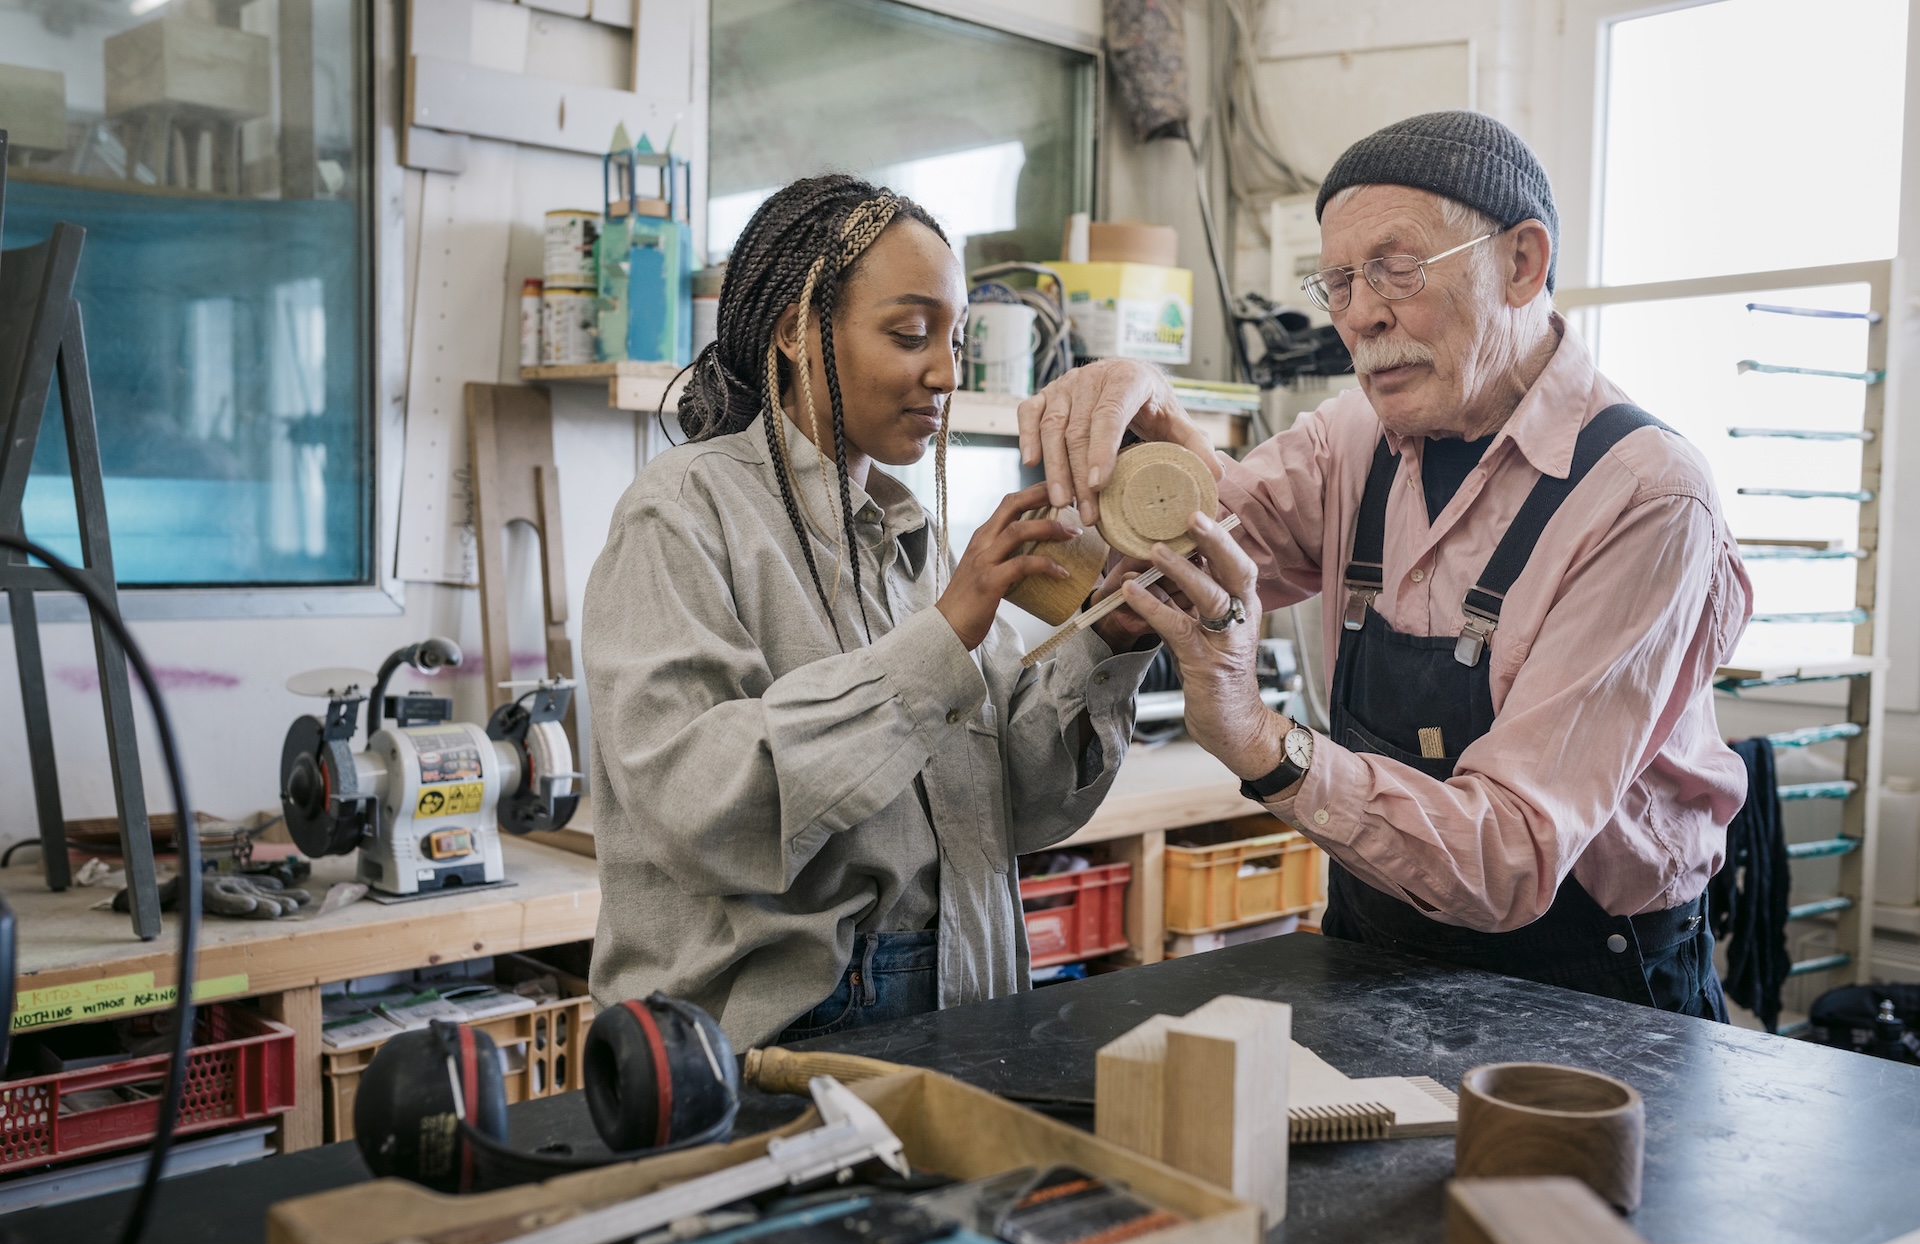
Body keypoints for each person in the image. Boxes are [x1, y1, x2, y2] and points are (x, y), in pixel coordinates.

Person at [1018, 111, 1752, 1019]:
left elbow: (1510, 855)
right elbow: (1201, 554)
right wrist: (1151, 425)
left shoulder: (1645, 498)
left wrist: (1260, 738)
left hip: (1588, 986)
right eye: (1337, 282)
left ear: (1522, 263)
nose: (1361, 313)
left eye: (1397, 270)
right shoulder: (1353, 441)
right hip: (1376, 941)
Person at [583, 175, 1158, 1049]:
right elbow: (697, 809)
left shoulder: (915, 544)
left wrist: (1112, 634)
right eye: (910, 333)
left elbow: (1023, 805)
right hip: (781, 1029)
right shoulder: (684, 510)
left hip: (965, 985)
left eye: (957, 338)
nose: (947, 372)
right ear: (794, 330)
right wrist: (946, 636)